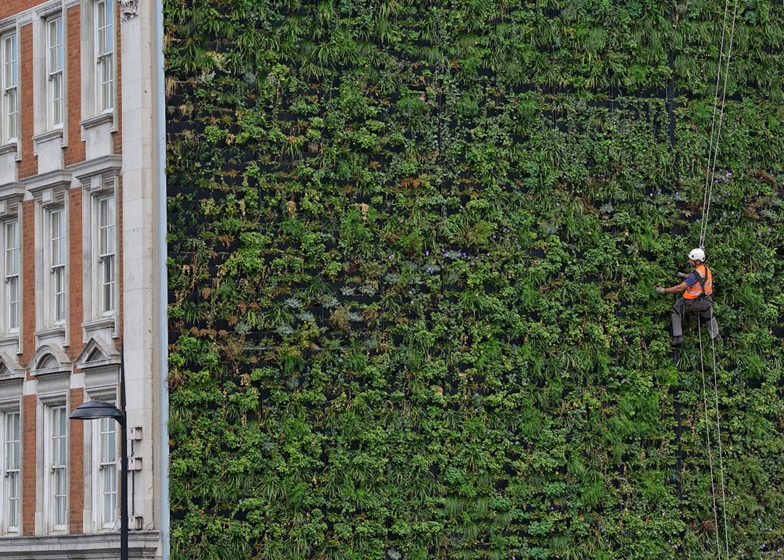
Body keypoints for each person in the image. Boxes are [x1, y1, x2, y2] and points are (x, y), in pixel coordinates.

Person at [655, 248, 721, 346]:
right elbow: (698, 278)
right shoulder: (706, 270)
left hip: (693, 302)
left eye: (691, 259)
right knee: (708, 315)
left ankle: (678, 337)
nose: (689, 261)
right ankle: (716, 335)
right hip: (706, 301)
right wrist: (683, 275)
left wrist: (664, 290)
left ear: (698, 261)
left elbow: (679, 288)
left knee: (675, 310)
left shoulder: (695, 275)